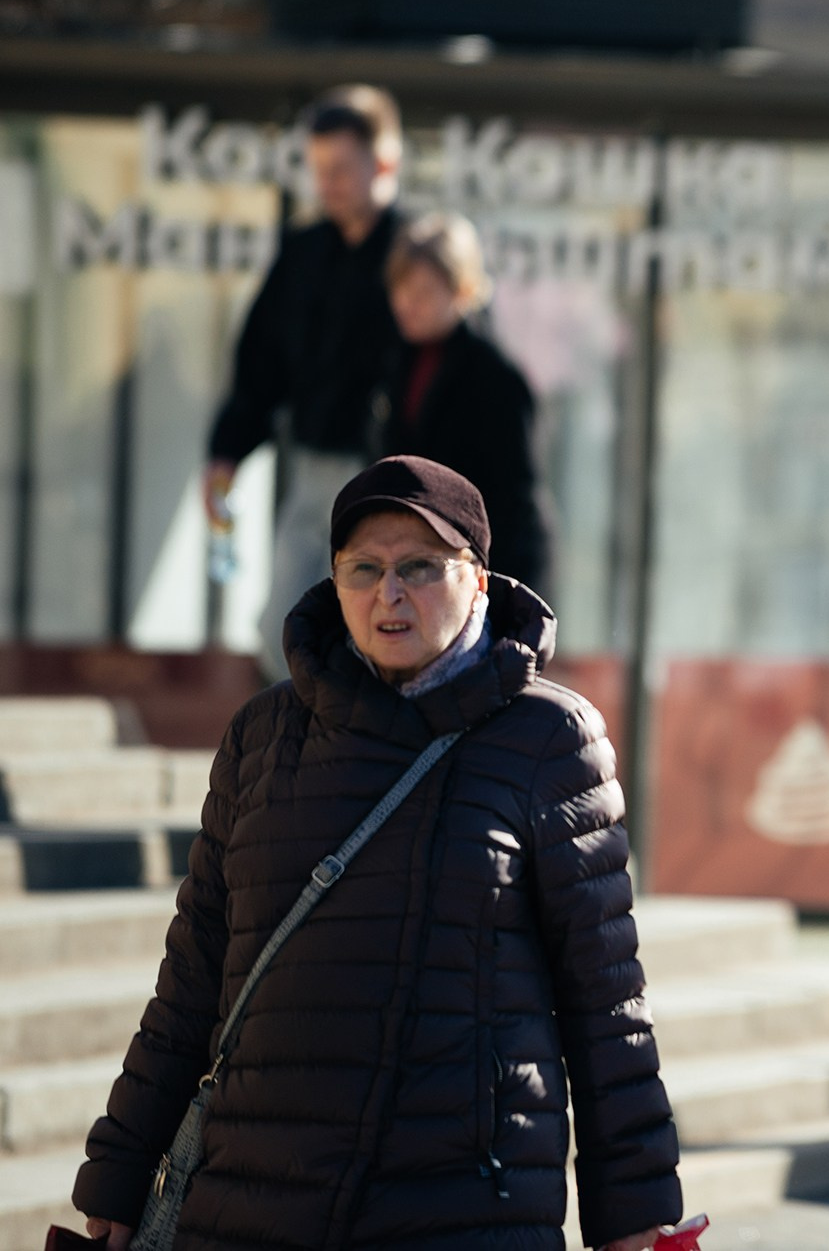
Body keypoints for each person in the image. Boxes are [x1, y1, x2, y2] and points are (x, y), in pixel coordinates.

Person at [72, 456, 682, 1250]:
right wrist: (121, 1169)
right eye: (364, 568)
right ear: (334, 582)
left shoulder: (549, 738)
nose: (389, 593)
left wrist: (633, 1207)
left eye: (420, 567)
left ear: (478, 581)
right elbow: (192, 981)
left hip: (465, 1206)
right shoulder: (262, 736)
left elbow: (605, 999)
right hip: (254, 1199)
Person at [206, 85, 409, 681]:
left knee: (379, 639)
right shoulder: (303, 254)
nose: (328, 184)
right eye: (319, 169)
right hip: (313, 468)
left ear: (384, 163)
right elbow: (260, 364)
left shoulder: (416, 254)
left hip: (390, 481)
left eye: (341, 168)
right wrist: (226, 453)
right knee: (284, 632)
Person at [373, 212, 554, 595]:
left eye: (423, 292)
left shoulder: (496, 375)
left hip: (480, 569)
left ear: (463, 291)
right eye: (399, 289)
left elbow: (515, 500)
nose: (406, 303)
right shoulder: (394, 360)